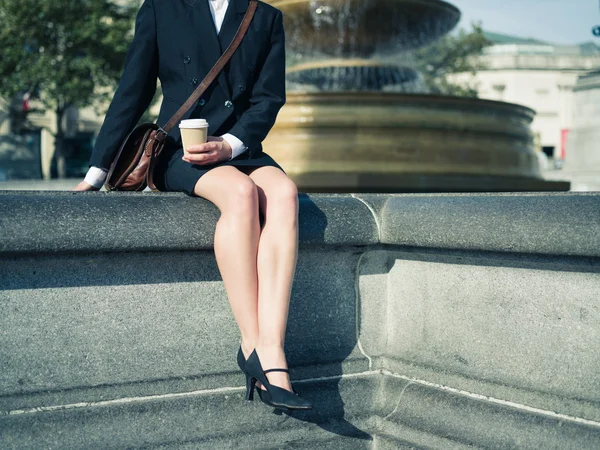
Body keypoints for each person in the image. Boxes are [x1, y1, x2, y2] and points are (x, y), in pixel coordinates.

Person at [73, 0, 311, 410]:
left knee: (285, 194)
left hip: (240, 147)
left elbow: (268, 99)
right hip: (180, 153)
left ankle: (272, 346)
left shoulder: (265, 16)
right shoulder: (160, 9)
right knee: (240, 195)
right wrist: (97, 171)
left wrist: (231, 143)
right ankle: (254, 345)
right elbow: (133, 89)